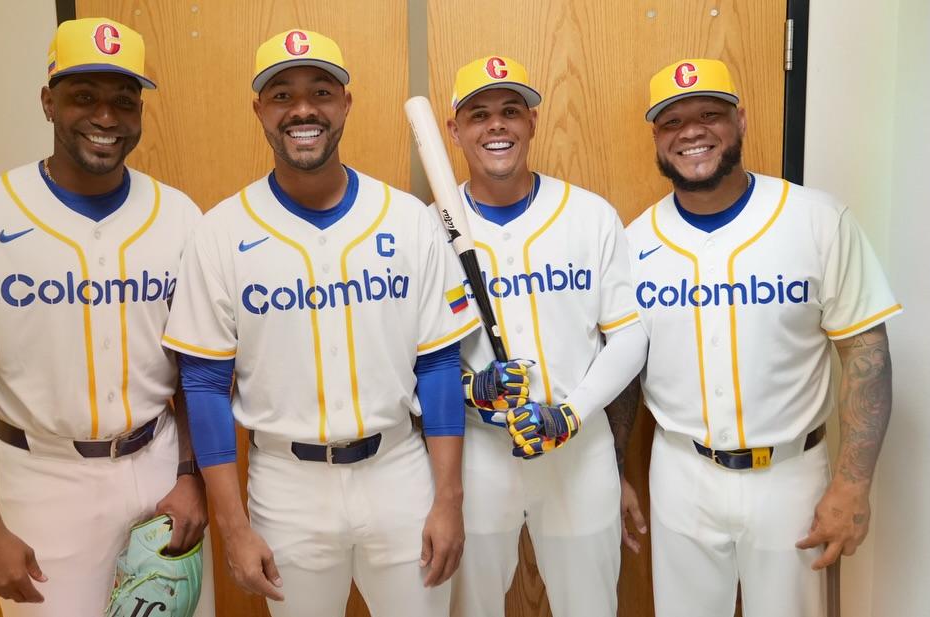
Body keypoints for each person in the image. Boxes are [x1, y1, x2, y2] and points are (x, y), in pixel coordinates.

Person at [162, 29, 478, 617]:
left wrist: (449, 500)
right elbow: (204, 385)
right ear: (259, 110)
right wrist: (233, 526)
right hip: (286, 484)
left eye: (321, 91)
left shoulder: (408, 221)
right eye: (282, 94)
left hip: (400, 473)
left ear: (345, 104)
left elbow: (437, 365)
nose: (303, 108)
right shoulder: (221, 232)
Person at [0, 18, 214, 616]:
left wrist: (192, 476)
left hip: (159, 466)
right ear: (48, 101)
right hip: (42, 479)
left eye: (124, 102)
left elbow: (195, 366)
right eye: (84, 97)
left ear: (140, 114)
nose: (106, 117)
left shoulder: (180, 217)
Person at [625, 58, 900, 617]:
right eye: (672, 121)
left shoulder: (817, 219)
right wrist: (613, 470)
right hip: (680, 471)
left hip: (791, 474)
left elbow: (866, 352)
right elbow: (626, 372)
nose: (692, 132)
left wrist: (852, 485)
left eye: (710, 114)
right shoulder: (633, 243)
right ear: (657, 137)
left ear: (741, 121)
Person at [444, 56, 649, 617]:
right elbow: (411, 355)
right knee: (469, 607)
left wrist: (572, 413)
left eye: (511, 110)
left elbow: (628, 337)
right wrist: (471, 387)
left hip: (578, 454)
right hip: (477, 453)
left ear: (533, 121)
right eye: (478, 113)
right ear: (454, 130)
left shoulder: (589, 215)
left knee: (590, 605)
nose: (497, 125)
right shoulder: (428, 227)